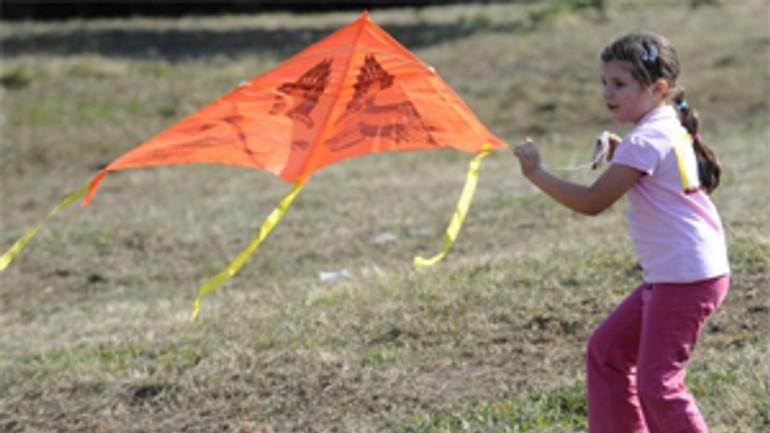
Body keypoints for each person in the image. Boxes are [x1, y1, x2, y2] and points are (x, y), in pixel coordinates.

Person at [513, 31, 730, 433]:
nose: (607, 93)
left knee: (658, 385)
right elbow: (653, 169)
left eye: (619, 84)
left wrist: (536, 173)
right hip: (685, 272)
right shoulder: (663, 125)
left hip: (684, 277)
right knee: (608, 352)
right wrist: (622, 152)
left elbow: (594, 202)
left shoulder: (647, 138)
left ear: (658, 88)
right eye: (604, 82)